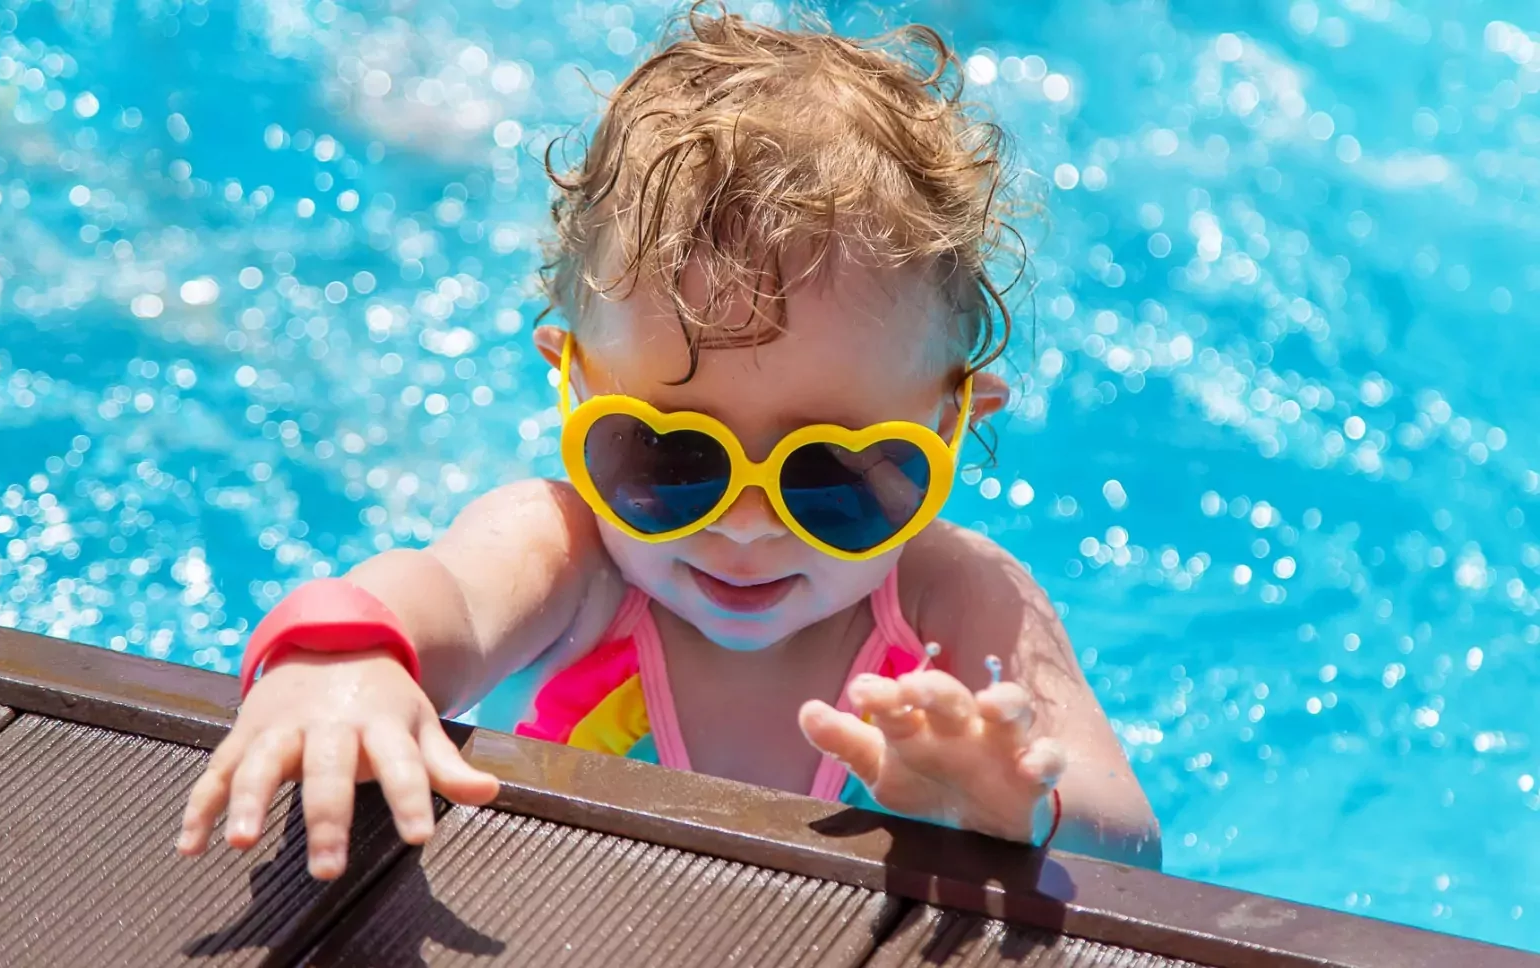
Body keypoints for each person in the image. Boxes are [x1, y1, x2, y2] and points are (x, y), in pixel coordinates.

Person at [177, 5, 1161, 881]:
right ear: (572, 385)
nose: (742, 526)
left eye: (830, 476)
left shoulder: (957, 599)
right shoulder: (577, 561)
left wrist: (1016, 809)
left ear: (950, 426)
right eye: (669, 460)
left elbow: (1133, 845)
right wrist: (342, 659)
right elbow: (446, 599)